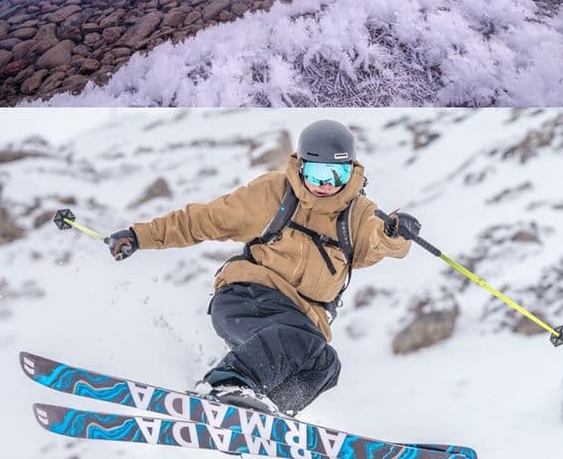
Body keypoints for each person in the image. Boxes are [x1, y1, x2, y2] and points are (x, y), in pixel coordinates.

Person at [104, 118, 416, 416]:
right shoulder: (275, 193)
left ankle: (264, 412)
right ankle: (225, 385)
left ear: (351, 171)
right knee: (299, 339)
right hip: (247, 298)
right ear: (301, 165)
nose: (324, 185)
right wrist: (139, 236)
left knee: (325, 364)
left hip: (300, 320)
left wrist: (394, 234)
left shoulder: (358, 214)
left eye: (336, 176)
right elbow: (203, 220)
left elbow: (378, 242)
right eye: (317, 174)